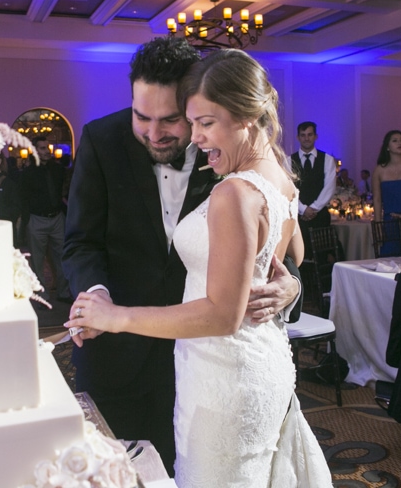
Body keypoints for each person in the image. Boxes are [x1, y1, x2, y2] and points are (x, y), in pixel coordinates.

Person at [65, 49, 331, 487]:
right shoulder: (101, 139)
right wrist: (99, 299)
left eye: (174, 120)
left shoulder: (227, 154)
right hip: (120, 356)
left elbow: (278, 254)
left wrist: (292, 289)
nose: (155, 133)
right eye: (141, 117)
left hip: (212, 362)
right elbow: (80, 241)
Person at [19, 135, 70, 301]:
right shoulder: (28, 173)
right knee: (37, 260)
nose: (47, 151)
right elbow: (23, 198)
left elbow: (61, 192)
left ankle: (63, 292)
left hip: (56, 217)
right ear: (34, 150)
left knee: (62, 256)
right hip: (37, 218)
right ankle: (42, 294)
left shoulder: (58, 169)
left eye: (47, 147)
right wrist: (27, 220)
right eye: (42, 148)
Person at [288, 121, 336, 256]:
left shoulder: (327, 159)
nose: (306, 138)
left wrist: (314, 208)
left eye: (310, 135)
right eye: (303, 135)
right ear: (298, 137)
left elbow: (329, 187)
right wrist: (303, 209)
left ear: (316, 136)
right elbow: (288, 189)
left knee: (323, 255)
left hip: (320, 216)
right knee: (300, 256)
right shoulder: (288, 161)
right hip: (298, 217)